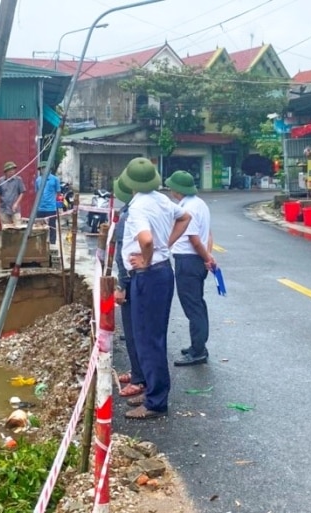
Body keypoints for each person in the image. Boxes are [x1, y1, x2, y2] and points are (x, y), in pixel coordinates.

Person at [120, 157, 191, 420]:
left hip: (148, 275)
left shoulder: (138, 207)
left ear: (129, 183)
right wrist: (166, 245)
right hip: (162, 272)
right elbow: (185, 217)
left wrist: (148, 256)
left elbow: (146, 239)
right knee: (152, 336)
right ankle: (152, 390)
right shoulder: (162, 199)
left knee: (147, 339)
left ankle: (156, 401)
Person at [165, 170, 216, 366]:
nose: (170, 191)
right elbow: (208, 233)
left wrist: (205, 257)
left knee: (192, 306)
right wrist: (208, 256)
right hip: (196, 260)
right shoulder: (199, 203)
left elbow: (194, 239)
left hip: (188, 260)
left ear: (178, 190)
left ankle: (198, 351)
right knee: (198, 304)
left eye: (172, 188)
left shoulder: (189, 208)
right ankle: (198, 345)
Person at [112, 176, 145, 398]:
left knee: (134, 331)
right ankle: (136, 371)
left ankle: (139, 378)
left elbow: (124, 252)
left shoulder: (129, 214)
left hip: (132, 278)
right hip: (137, 276)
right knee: (135, 330)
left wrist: (121, 285)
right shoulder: (131, 210)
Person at [35, 161, 61, 245]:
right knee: (40, 227)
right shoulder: (38, 180)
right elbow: (37, 192)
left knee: (52, 227)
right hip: (40, 208)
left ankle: (52, 243)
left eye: (45, 168)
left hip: (51, 208)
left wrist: (55, 202)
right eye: (42, 169)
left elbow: (58, 192)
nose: (43, 170)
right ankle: (41, 244)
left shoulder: (55, 179)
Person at [0, 161, 26, 226]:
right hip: (4, 208)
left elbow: (22, 192)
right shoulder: (0, 180)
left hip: (15, 209)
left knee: (18, 227)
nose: (12, 171)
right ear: (6, 171)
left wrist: (16, 203)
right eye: (10, 170)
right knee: (6, 229)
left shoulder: (18, 180)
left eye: (13, 169)